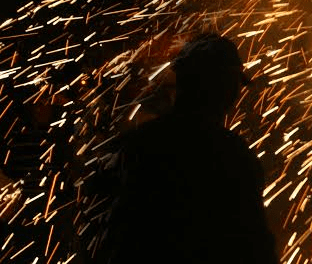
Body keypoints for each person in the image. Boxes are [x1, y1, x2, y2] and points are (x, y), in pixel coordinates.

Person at [102, 34, 279, 264]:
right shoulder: (233, 156)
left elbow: (115, 236)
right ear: (223, 89)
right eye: (233, 84)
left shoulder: (139, 143)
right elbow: (255, 246)